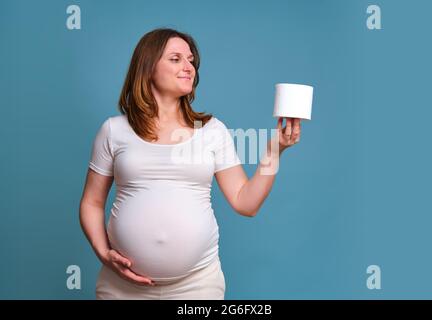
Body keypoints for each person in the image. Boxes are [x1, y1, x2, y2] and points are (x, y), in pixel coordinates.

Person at [79, 28, 301, 300]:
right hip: (121, 287)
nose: (189, 67)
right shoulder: (113, 131)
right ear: (148, 67)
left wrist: (273, 152)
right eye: (175, 59)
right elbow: (91, 202)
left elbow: (246, 203)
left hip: (197, 286)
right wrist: (103, 254)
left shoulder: (212, 131)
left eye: (191, 60)